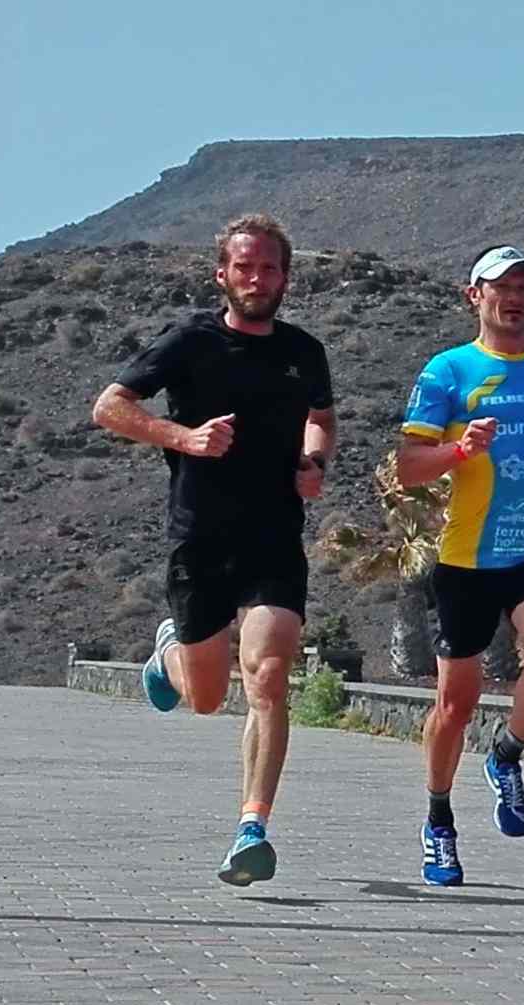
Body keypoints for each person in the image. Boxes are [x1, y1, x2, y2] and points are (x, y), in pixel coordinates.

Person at [91, 213, 336, 887]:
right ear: (222, 274)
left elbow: (321, 414)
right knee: (204, 696)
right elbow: (109, 406)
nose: (258, 279)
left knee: (268, 673)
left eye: (270, 268)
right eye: (245, 267)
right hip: (201, 537)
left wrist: (314, 460)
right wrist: (183, 437)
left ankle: (252, 827)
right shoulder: (190, 341)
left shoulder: (303, 351)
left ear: (285, 277)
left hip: (273, 538)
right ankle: (169, 650)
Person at [397, 245, 524, 888]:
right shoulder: (448, 372)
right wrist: (460, 449)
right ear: (474, 296)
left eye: (523, 287)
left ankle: (508, 753)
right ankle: (438, 822)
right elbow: (408, 468)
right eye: (500, 287)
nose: (514, 297)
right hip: (466, 561)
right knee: (453, 706)